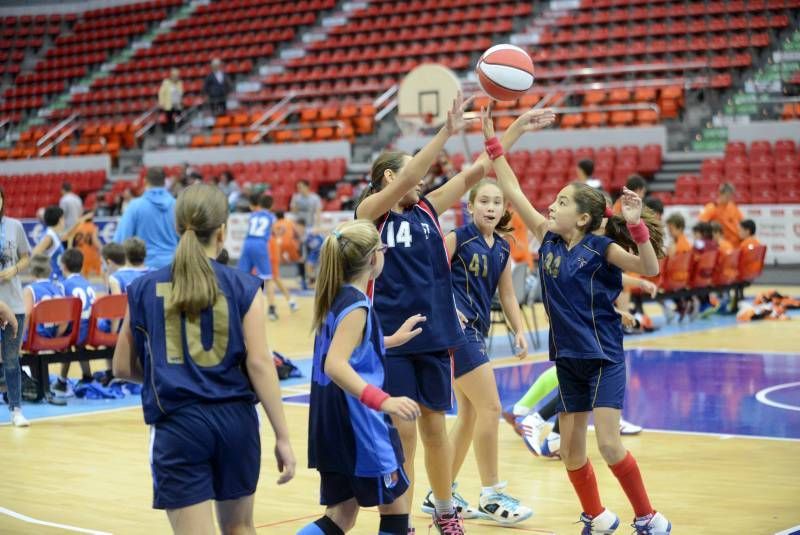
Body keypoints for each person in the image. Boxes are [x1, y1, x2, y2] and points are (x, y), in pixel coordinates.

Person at [355, 93, 545, 533]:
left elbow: (480, 168)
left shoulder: (427, 208)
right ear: (390, 176)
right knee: (404, 434)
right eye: (410, 174)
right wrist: (445, 132)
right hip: (395, 338)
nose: (420, 182)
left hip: (436, 337)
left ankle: (444, 510)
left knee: (435, 430)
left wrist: (512, 127)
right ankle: (399, 521)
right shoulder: (371, 214)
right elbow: (412, 177)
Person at [482, 104, 671, 534]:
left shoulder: (600, 248)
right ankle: (598, 516)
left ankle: (648, 517)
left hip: (603, 357)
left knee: (607, 443)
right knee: (570, 452)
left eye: (562, 202)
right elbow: (511, 188)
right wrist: (496, 141)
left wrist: (637, 227)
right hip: (567, 359)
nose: (552, 204)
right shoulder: (548, 239)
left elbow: (649, 268)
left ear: (583, 218)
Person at [112, 184, 296, 533]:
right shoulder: (244, 286)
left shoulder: (142, 288)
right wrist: (283, 436)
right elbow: (260, 364)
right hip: (236, 422)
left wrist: (166, 371)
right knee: (240, 527)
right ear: (222, 231)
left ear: (177, 228)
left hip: (178, 424)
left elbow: (122, 367)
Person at [299, 220, 424, 535]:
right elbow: (336, 364)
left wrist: (391, 339)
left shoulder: (336, 297)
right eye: (382, 249)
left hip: (329, 423)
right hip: (357, 422)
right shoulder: (357, 306)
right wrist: (385, 401)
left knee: (342, 514)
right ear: (372, 259)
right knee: (396, 510)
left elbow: (350, 349)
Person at [428, 179, 533, 524]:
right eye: (483, 201)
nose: (490, 207)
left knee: (471, 414)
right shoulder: (457, 238)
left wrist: (519, 330)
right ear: (470, 207)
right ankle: (491, 493)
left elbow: (506, 295)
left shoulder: (502, 247)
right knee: (491, 407)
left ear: (504, 209)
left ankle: (441, 492)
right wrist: (446, 307)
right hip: (456, 333)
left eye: (497, 202)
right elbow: (430, 277)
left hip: (477, 332)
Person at [0, 188, 32, 426]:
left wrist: (15, 269)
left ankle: (16, 409)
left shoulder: (14, 226)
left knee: (12, 359)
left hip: (14, 302)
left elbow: (25, 256)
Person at [113, 167, 178, 270]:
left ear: (145, 181)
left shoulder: (135, 206)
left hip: (144, 269)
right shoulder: (177, 205)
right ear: (165, 182)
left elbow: (122, 239)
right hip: (174, 267)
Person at [54, 249, 97, 393]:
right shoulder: (88, 283)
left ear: (63, 266)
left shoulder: (63, 285)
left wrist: (57, 335)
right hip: (90, 331)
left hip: (75, 333)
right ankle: (87, 376)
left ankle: (61, 380)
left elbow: (65, 318)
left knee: (66, 341)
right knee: (79, 346)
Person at [237, 193, 280, 321]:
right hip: (260, 244)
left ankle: (238, 307)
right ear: (271, 206)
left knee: (242, 277)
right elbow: (275, 232)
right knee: (268, 278)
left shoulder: (253, 215)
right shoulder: (271, 216)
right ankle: (271, 309)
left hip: (248, 243)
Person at [698, 182, 743, 247]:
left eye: (731, 196)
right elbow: (701, 223)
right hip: (722, 244)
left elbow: (742, 222)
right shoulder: (712, 207)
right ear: (720, 194)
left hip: (737, 244)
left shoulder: (733, 206)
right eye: (727, 196)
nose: (729, 198)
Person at [31, 206, 66, 280]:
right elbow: (34, 254)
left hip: (58, 277)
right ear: (60, 219)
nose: (64, 221)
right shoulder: (49, 237)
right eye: (63, 218)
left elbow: (68, 235)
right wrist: (38, 274)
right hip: (52, 279)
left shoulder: (53, 233)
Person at [69, 211, 102, 277]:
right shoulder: (93, 227)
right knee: (94, 277)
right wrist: (102, 248)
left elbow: (71, 240)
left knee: (81, 275)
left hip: (79, 253)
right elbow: (95, 240)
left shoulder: (78, 226)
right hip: (90, 254)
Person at [158, 68, 183, 133]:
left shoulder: (179, 83)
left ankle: (179, 130)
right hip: (169, 104)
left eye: (177, 76)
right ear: (171, 76)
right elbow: (161, 93)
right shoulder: (166, 82)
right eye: (174, 76)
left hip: (177, 104)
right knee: (169, 119)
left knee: (179, 117)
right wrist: (161, 102)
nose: (176, 77)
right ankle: (170, 131)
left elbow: (181, 92)